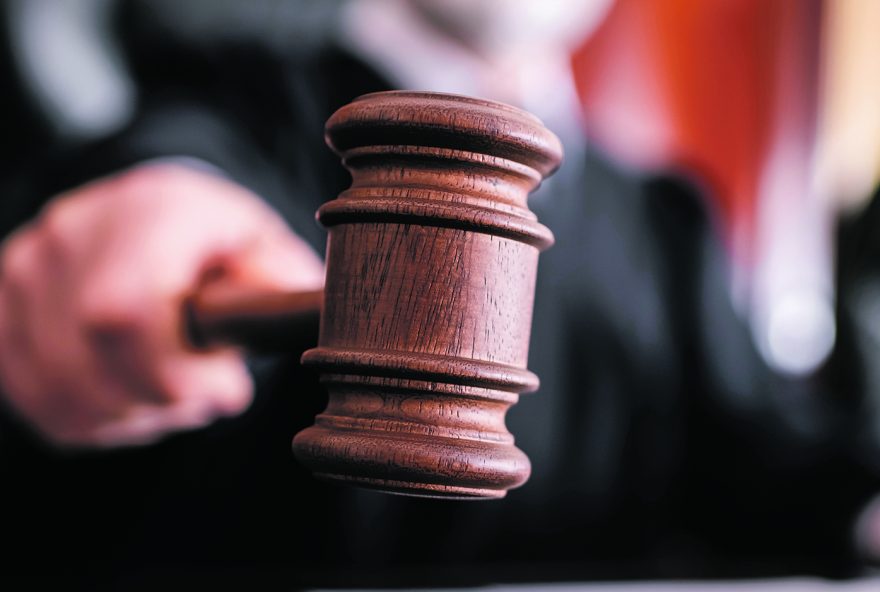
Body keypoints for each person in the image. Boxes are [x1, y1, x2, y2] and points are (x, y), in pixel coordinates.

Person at [0, 0, 878, 587]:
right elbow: (170, 177)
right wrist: (152, 207)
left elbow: (777, 469)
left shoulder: (666, 224)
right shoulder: (227, 94)